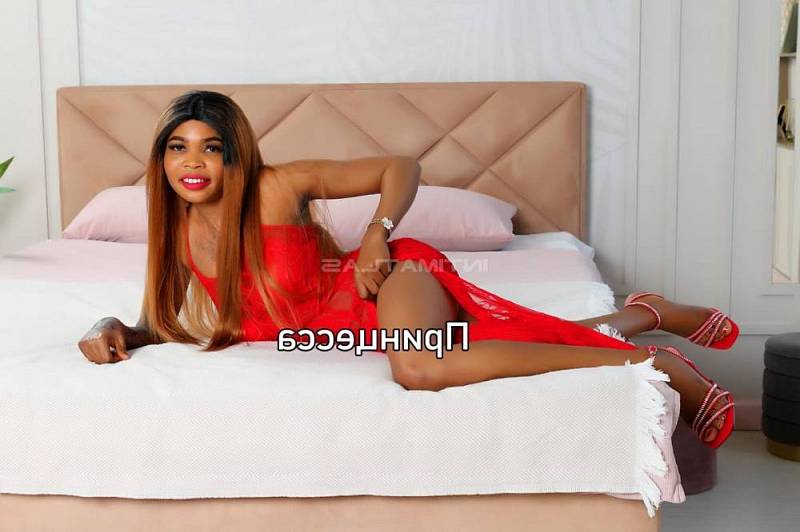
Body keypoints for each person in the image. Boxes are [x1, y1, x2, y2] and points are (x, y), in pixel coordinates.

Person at [77, 90, 737, 449]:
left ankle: (654, 367)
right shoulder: (177, 231)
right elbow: (159, 324)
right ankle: (642, 315)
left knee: (420, 366)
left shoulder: (279, 185)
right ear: (161, 159)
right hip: (342, 332)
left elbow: (402, 166)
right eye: (177, 148)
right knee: (506, 338)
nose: (193, 162)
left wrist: (377, 232)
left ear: (235, 153)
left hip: (391, 280)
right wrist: (111, 327)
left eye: (211, 147)